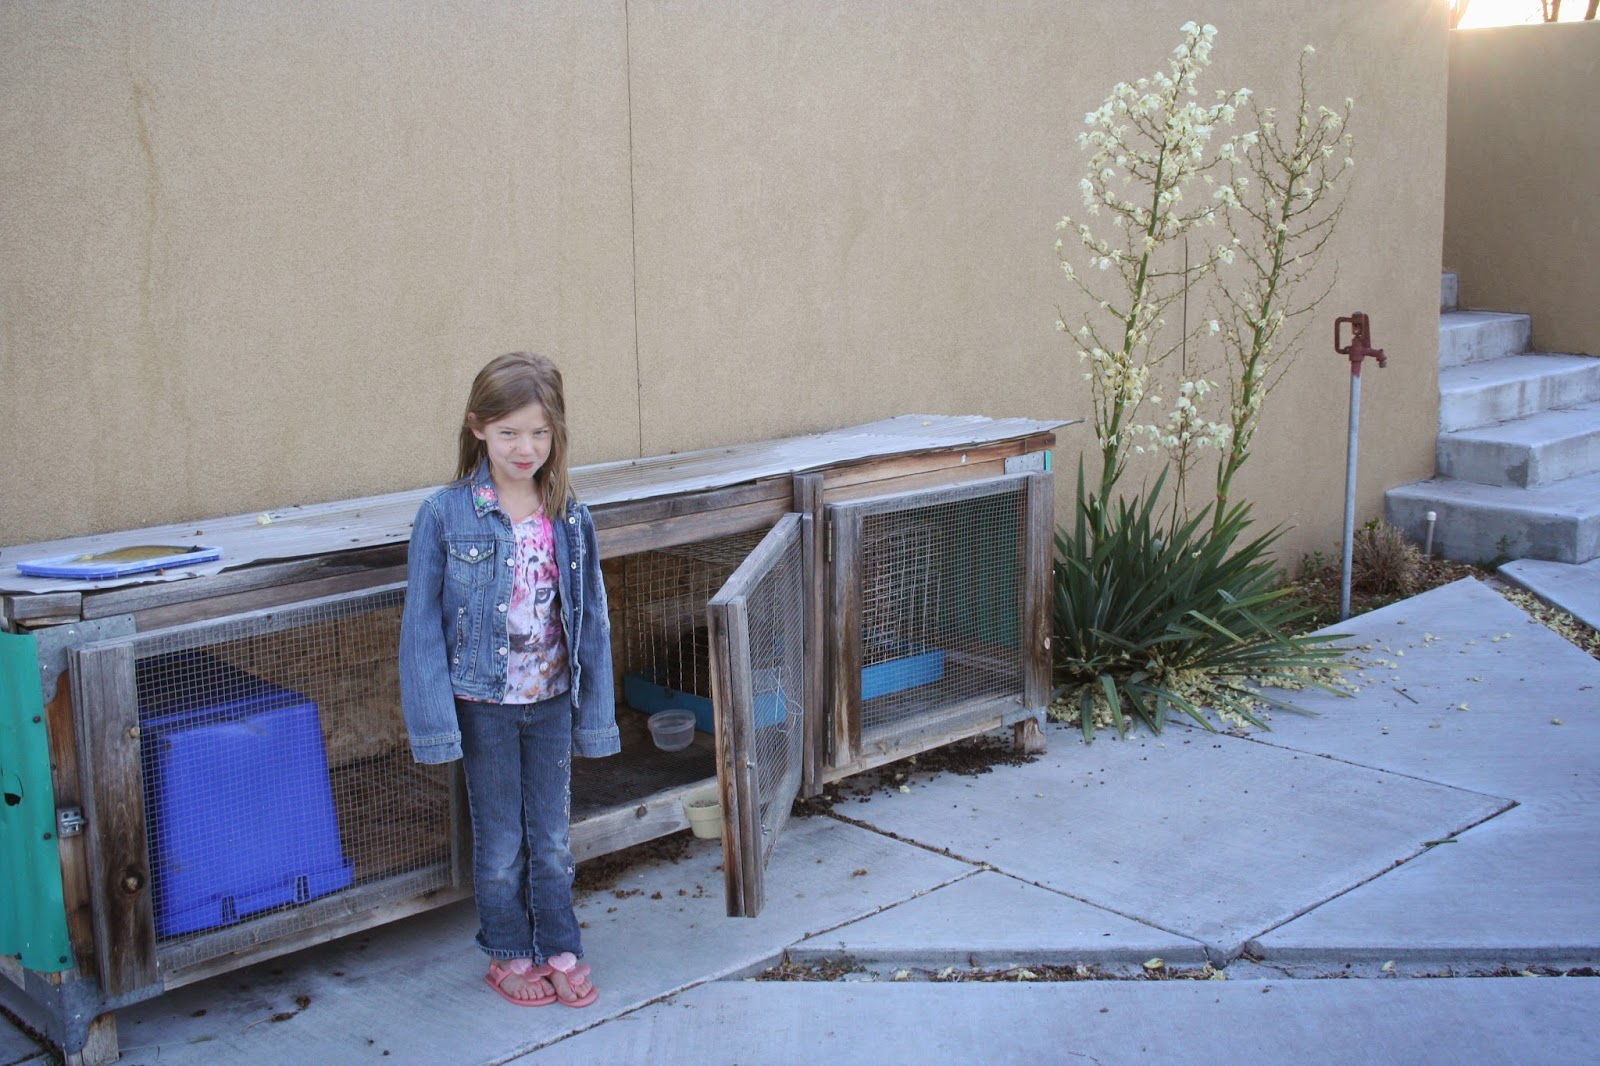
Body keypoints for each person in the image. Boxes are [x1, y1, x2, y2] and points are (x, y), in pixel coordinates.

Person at [399, 352, 619, 1008]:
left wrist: (596, 716)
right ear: (477, 428)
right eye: (509, 433)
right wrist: (436, 724)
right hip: (484, 704)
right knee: (500, 841)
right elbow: (421, 628)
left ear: (557, 433)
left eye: (540, 433)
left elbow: (592, 620)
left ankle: (559, 946)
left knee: (551, 838)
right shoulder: (444, 515)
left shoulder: (569, 515)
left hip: (550, 702)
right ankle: (507, 953)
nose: (526, 448)